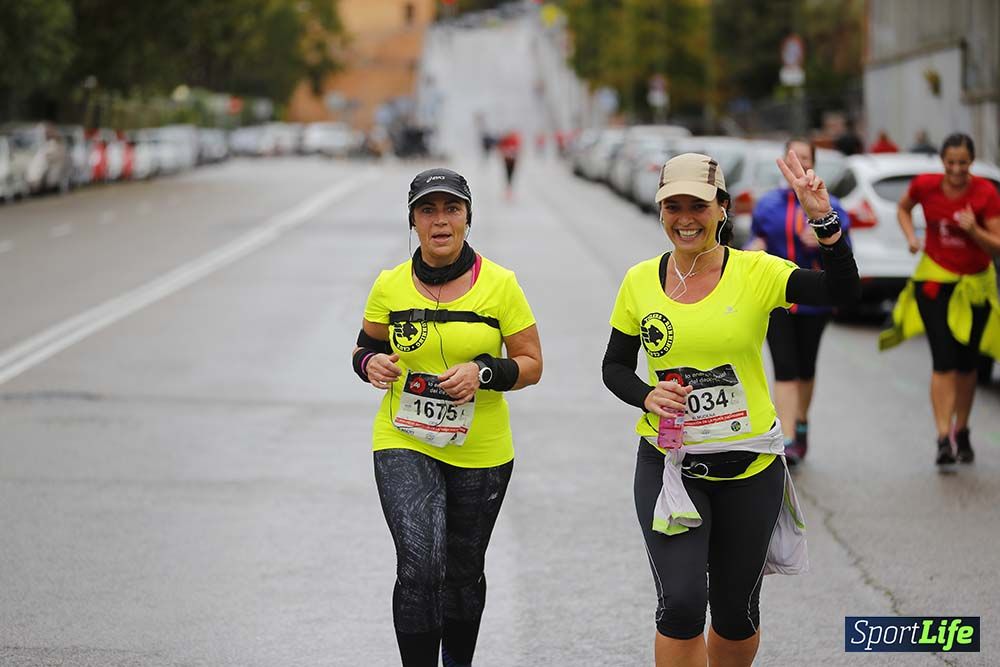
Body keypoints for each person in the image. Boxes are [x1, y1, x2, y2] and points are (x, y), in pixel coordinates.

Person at [602, 152, 859, 666]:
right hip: (670, 466)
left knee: (735, 613)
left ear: (722, 207)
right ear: (660, 212)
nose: (685, 217)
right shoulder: (639, 281)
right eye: (672, 205)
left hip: (750, 469)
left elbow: (842, 292)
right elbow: (615, 366)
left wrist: (823, 222)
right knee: (680, 604)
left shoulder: (757, 273)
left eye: (697, 204)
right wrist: (646, 395)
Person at [353, 167, 543, 667]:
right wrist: (369, 363)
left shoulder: (501, 285)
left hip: (480, 447)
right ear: (412, 221)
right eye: (428, 210)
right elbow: (364, 349)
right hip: (404, 437)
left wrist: (483, 372)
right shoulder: (389, 285)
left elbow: (531, 365)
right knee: (419, 564)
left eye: (451, 209)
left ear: (467, 218)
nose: (440, 221)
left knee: (461, 571)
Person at [880, 133, 1000, 466]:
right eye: (950, 163)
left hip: (973, 286)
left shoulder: (985, 193)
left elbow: (997, 246)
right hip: (935, 282)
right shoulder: (925, 185)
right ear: (942, 162)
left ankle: (962, 430)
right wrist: (911, 237)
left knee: (967, 364)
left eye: (963, 163)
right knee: (943, 360)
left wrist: (974, 230)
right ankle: (942, 437)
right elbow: (903, 208)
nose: (956, 170)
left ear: (971, 162)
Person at [746, 138, 852, 464]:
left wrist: (822, 239)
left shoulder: (828, 203)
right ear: (784, 160)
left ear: (813, 162)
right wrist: (756, 244)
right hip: (777, 297)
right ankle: (787, 436)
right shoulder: (767, 205)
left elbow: (843, 251)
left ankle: (801, 421)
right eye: (794, 157)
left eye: (805, 158)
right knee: (785, 367)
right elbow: (755, 236)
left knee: (805, 367)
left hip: (814, 298)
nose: (800, 163)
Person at [496, 129, 521, 199]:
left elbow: (518, 149)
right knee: (508, 174)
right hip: (507, 160)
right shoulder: (505, 140)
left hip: (512, 160)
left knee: (511, 174)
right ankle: (508, 189)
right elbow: (500, 147)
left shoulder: (515, 140)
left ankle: (509, 189)